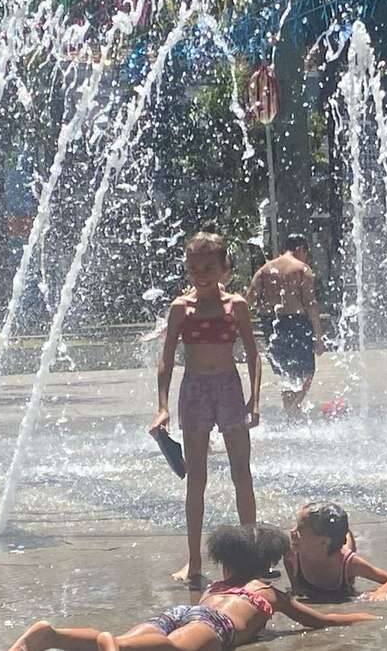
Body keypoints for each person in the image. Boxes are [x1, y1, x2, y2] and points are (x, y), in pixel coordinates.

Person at [8, 524, 379, 651]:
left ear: (226, 562)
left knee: (143, 641)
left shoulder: (217, 584)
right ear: (267, 564)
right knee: (170, 649)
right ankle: (111, 643)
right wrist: (363, 616)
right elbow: (318, 622)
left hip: (184, 612)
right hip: (216, 624)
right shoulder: (268, 594)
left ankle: (51, 635)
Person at [149, 231, 262, 586]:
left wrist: (254, 400)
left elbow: (255, 356)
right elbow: (166, 359)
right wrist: (162, 407)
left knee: (241, 473)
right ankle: (194, 560)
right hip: (195, 389)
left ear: (224, 267)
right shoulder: (181, 308)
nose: (201, 274)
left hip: (228, 387)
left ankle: (251, 556)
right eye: (194, 267)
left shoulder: (237, 305)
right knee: (195, 479)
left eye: (209, 266)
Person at [245, 234, 326, 419]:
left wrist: (261, 307)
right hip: (297, 323)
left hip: (271, 323)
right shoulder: (301, 269)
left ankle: (291, 411)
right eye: (306, 253)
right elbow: (310, 304)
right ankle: (293, 407)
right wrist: (319, 336)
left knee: (285, 372)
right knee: (307, 370)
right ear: (301, 249)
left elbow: (249, 298)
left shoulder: (265, 269)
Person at [285, 502, 387, 602]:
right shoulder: (292, 553)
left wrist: (382, 591)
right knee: (336, 534)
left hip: (337, 545)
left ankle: (346, 532)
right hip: (331, 539)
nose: (292, 531)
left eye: (300, 529)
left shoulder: (349, 564)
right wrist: (295, 585)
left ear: (323, 542)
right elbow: (287, 561)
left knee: (346, 544)